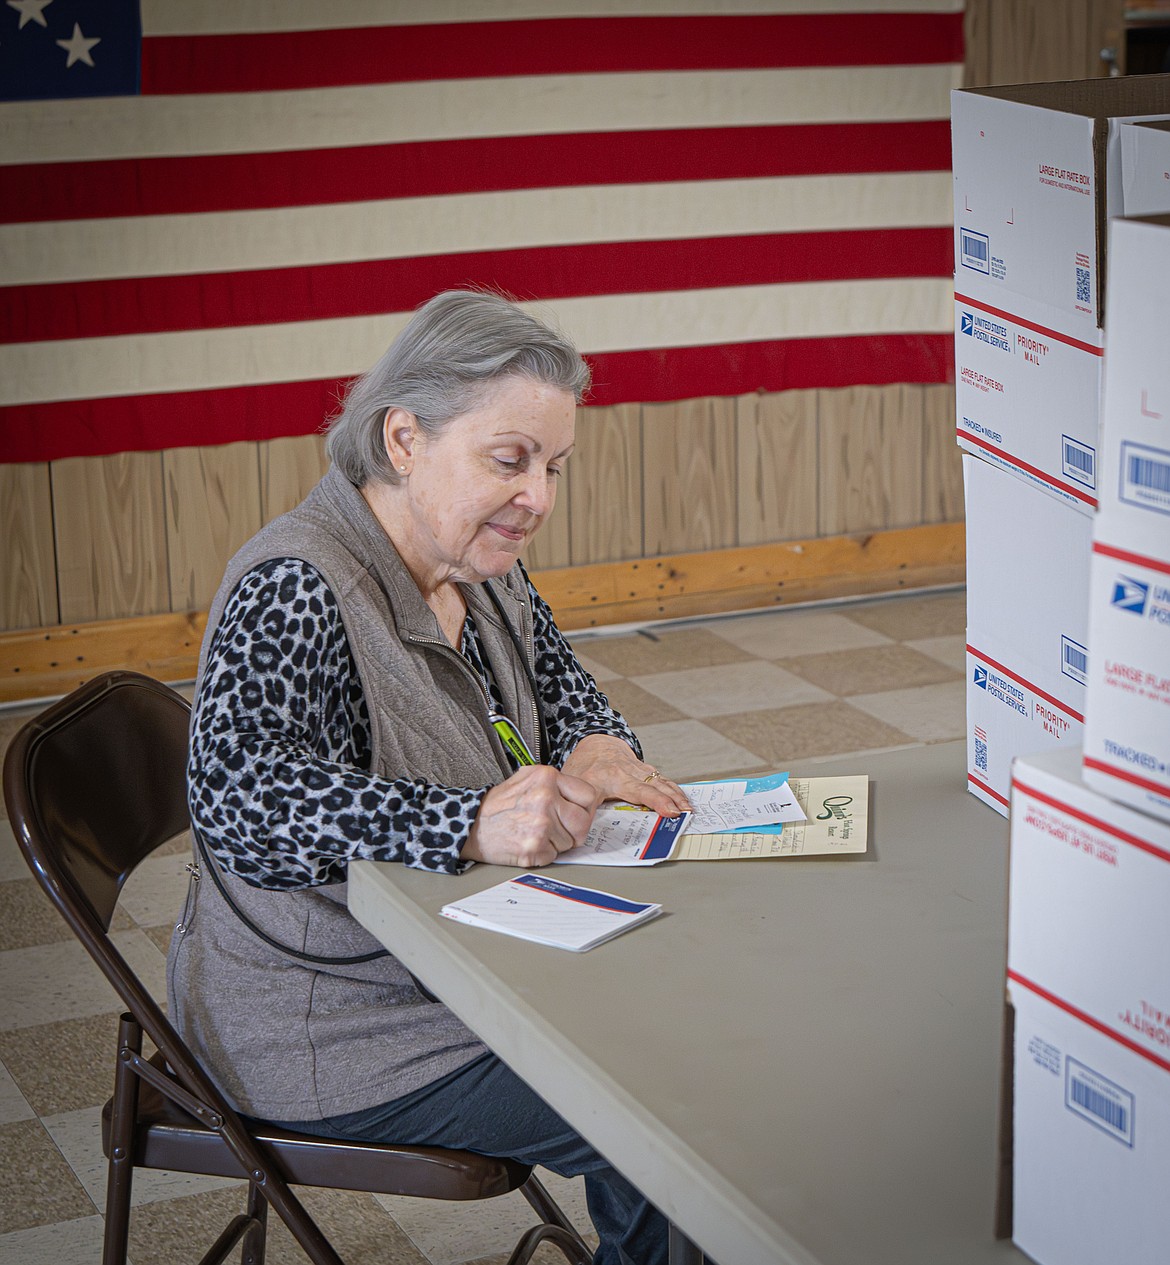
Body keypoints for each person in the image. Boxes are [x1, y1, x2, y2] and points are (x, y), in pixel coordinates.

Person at [168, 289, 692, 1265]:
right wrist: (469, 822)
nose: (537, 494)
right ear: (403, 438)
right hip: (328, 1025)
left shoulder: (479, 557)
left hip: (458, 959)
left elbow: (564, 689)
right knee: (669, 1109)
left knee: (685, 1017)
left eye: (551, 466)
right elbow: (240, 803)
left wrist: (597, 747)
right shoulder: (297, 579)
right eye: (509, 458)